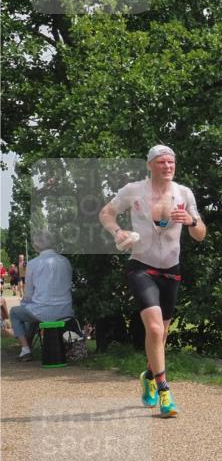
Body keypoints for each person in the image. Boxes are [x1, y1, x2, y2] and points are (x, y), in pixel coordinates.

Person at [99, 144, 206, 418]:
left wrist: (192, 222)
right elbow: (106, 213)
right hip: (141, 266)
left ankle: (148, 375)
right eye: (161, 162)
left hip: (171, 269)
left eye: (171, 162)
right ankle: (165, 392)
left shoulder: (184, 194)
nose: (167, 166)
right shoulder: (134, 190)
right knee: (155, 330)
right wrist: (117, 231)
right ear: (150, 165)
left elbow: (201, 234)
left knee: (161, 334)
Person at [10, 231, 75, 361]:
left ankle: (25, 349)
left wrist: (25, 303)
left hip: (43, 311)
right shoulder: (65, 261)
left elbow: (28, 293)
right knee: (32, 310)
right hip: (66, 310)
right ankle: (29, 346)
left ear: (37, 245)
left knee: (15, 312)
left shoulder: (33, 263)